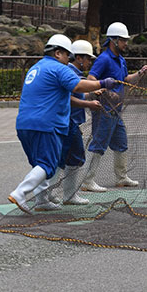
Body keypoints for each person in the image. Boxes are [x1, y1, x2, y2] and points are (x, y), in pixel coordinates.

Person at [8, 34, 116, 214]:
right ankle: (20, 193)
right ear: (58, 53)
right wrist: (103, 82)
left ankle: (42, 200)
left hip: (24, 124)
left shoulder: (36, 67)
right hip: (46, 124)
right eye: (68, 56)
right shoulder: (58, 68)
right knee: (48, 165)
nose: (69, 61)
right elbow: (78, 87)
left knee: (41, 165)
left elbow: (68, 94)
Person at [82, 22, 147, 192]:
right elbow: (91, 79)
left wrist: (140, 73)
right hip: (103, 110)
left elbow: (125, 79)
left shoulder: (120, 59)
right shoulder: (104, 59)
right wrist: (103, 91)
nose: (126, 43)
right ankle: (87, 181)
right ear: (113, 40)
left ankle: (121, 178)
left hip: (116, 110)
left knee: (121, 143)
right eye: (123, 40)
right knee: (98, 144)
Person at [58, 40, 102, 205]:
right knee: (69, 157)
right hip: (66, 121)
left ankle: (60, 195)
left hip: (70, 121)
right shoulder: (69, 73)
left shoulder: (73, 73)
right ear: (79, 57)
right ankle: (64, 196)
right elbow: (68, 98)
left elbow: (79, 94)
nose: (89, 62)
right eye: (88, 59)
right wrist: (88, 103)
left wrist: (91, 94)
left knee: (68, 158)